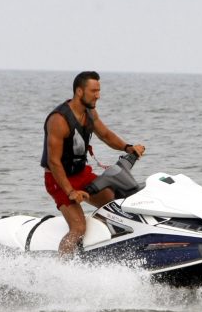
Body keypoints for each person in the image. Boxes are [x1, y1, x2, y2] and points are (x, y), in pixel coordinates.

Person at [41, 71, 146, 255]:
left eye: (99, 90)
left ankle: (112, 248)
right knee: (79, 228)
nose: (98, 95)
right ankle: (60, 268)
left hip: (81, 173)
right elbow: (54, 161)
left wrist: (127, 148)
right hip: (59, 179)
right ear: (80, 92)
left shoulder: (89, 112)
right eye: (94, 91)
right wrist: (70, 192)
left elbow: (105, 135)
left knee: (114, 203)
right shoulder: (59, 120)